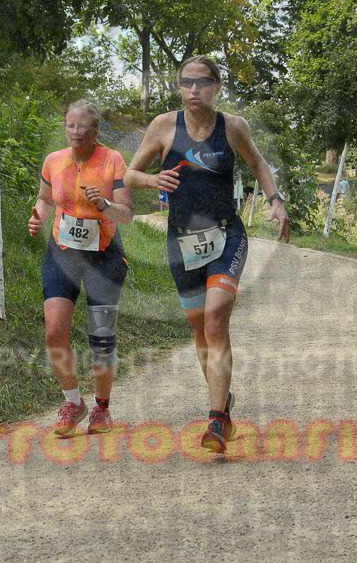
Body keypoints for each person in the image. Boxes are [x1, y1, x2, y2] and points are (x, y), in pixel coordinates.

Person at [124, 55, 290, 453]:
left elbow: (258, 162)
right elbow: (129, 174)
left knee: (216, 317)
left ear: (217, 87)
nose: (193, 89)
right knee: (201, 331)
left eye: (202, 82)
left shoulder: (234, 127)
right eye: (186, 82)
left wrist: (276, 200)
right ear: (179, 86)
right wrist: (151, 179)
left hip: (226, 233)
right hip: (182, 241)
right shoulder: (163, 126)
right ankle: (224, 406)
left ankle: (215, 421)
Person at [28, 100, 134, 435]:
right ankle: (73, 402)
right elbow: (45, 200)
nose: (74, 132)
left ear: (95, 130)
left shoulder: (113, 161)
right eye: (69, 125)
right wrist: (37, 219)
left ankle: (102, 409)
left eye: (81, 126)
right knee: (54, 331)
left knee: (101, 336)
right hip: (62, 253)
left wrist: (103, 203)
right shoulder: (54, 161)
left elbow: (126, 214)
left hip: (104, 256)